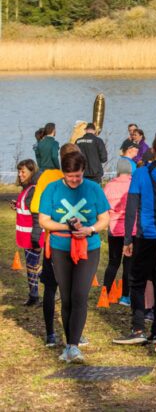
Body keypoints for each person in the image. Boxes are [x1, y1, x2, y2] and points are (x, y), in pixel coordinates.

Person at [39, 150, 111, 363]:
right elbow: (44, 220)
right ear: (64, 173)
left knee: (80, 294)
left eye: (78, 176)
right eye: (70, 177)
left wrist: (90, 230)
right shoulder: (52, 189)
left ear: (83, 171)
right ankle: (70, 342)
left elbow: (104, 219)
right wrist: (66, 226)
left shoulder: (93, 189)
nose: (74, 180)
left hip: (89, 247)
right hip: (61, 247)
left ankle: (73, 345)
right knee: (67, 296)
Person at [113, 134, 156, 346]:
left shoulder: (141, 173)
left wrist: (127, 240)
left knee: (137, 282)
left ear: (153, 150)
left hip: (146, 236)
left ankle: (138, 327)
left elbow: (131, 209)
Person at [30, 142, 80, 347]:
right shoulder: (74, 181)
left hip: (55, 242)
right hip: (70, 244)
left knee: (51, 289)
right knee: (71, 291)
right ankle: (72, 335)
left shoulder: (47, 177)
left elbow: (35, 208)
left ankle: (52, 333)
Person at [103, 158, 134, 306]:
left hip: (114, 228)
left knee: (113, 262)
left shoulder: (109, 186)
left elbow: (103, 206)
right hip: (131, 229)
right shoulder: (133, 184)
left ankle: (106, 291)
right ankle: (125, 296)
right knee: (128, 263)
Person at [11, 159, 40, 306]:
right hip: (26, 237)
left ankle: (56, 283)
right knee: (31, 267)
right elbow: (26, 209)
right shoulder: (26, 189)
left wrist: (36, 238)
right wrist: (16, 206)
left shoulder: (33, 190)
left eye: (23, 172)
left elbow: (36, 215)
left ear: (31, 172)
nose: (20, 174)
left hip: (32, 237)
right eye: (19, 171)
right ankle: (33, 295)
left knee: (34, 267)